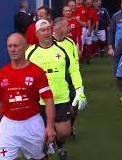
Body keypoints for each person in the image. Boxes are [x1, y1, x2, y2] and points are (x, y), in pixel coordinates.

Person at [26, 20, 87, 160]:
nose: (46, 33)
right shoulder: (30, 52)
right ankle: (45, 153)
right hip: (39, 101)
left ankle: (59, 144)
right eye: (42, 30)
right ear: (37, 34)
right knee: (41, 137)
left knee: (64, 132)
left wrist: (79, 89)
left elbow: (74, 70)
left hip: (61, 98)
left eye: (48, 29)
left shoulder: (63, 49)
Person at [0, 33, 56, 160]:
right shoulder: (1, 73)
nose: (12, 49)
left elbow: (48, 99)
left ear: (26, 47)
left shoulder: (37, 72)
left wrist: (50, 126)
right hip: (8, 126)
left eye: (16, 46)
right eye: (9, 46)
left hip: (32, 124)